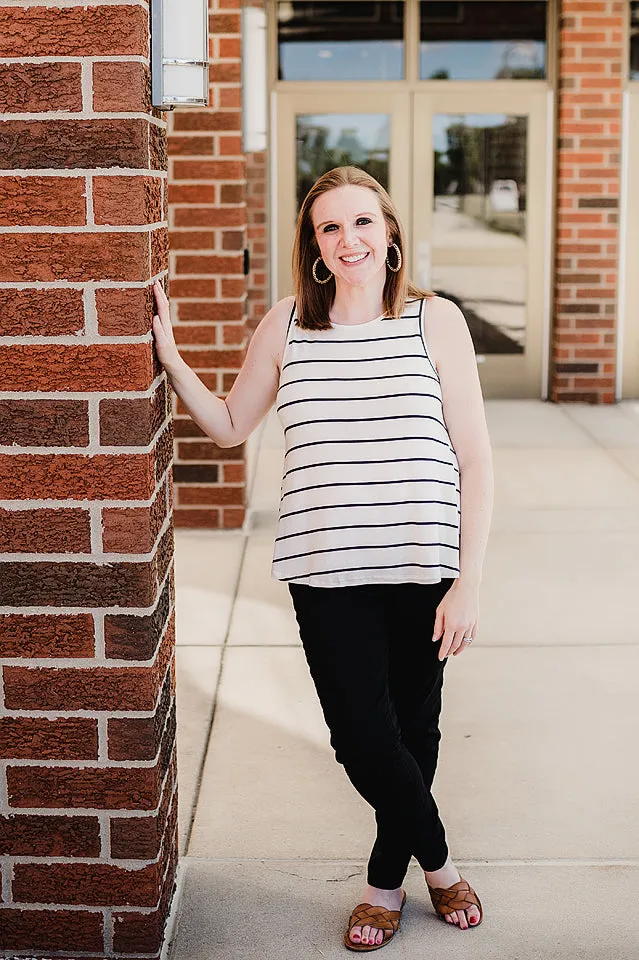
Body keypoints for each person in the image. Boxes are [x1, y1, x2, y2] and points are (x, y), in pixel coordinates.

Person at [152, 166, 494, 952]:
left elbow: (474, 458)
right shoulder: (288, 325)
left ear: (390, 232)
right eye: (330, 228)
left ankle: (382, 885)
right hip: (324, 568)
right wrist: (171, 358)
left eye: (363, 223)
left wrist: (468, 581)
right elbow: (233, 423)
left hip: (422, 561)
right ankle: (438, 869)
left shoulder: (432, 320)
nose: (349, 241)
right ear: (312, 244)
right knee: (361, 736)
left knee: (414, 726)